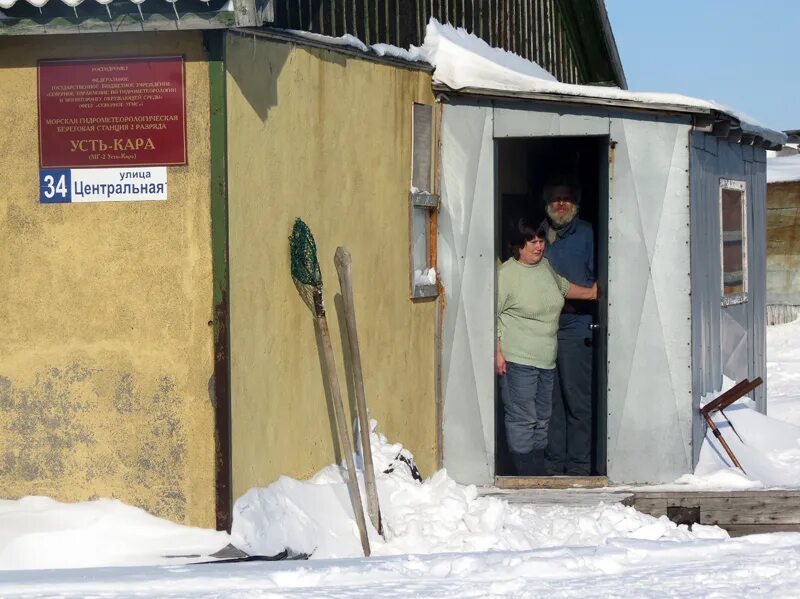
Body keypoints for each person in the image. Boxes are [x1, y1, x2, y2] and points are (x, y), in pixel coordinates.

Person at [496, 219, 597, 476]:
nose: (539, 247)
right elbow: (491, 315)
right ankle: (525, 476)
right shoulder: (507, 275)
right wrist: (497, 352)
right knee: (523, 419)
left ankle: (537, 472)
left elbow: (563, 288)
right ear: (519, 246)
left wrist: (594, 292)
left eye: (541, 241)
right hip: (518, 359)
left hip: (546, 360)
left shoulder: (545, 268)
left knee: (542, 420)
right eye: (532, 242)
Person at [541, 182, 596, 476]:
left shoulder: (586, 233)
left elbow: (599, 279)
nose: (560, 204)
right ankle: (552, 465)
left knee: (576, 400)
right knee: (551, 401)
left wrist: (587, 295)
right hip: (543, 325)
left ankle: (577, 466)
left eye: (566, 199)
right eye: (555, 199)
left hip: (575, 324)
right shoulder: (538, 234)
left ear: (575, 204)